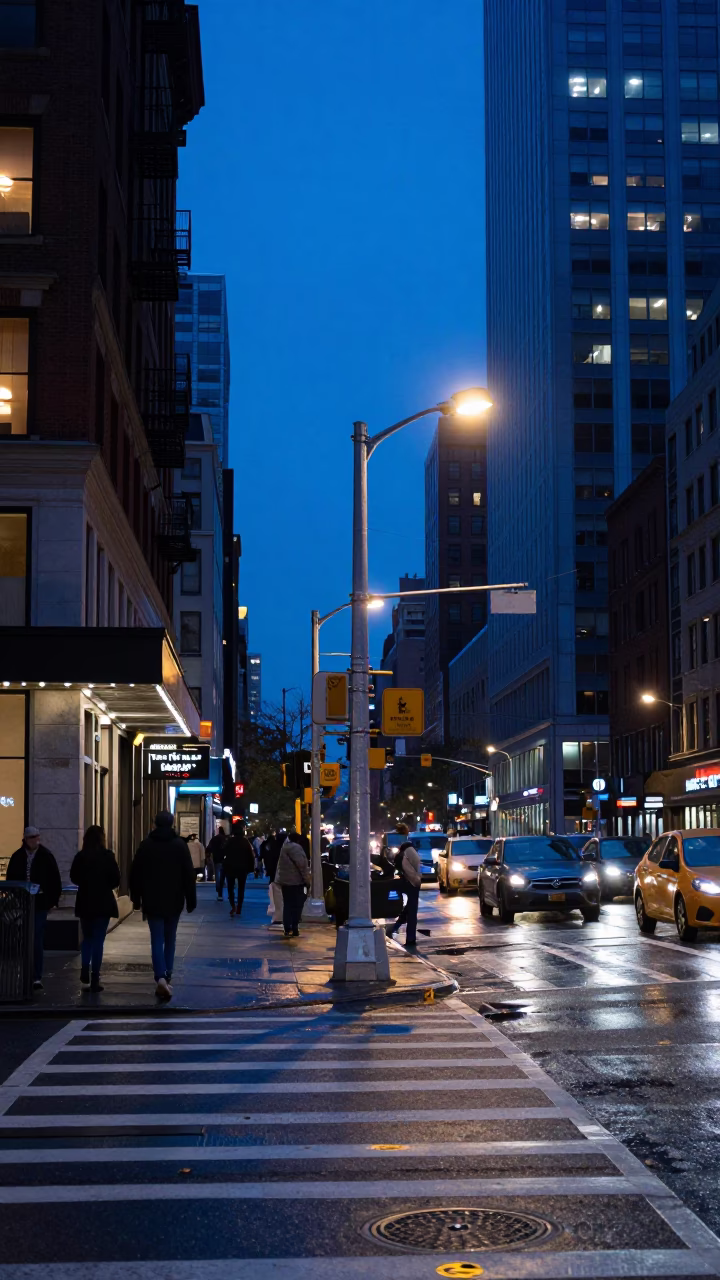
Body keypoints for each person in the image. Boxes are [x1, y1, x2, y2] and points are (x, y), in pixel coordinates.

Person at [129, 811, 197, 1001]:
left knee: (156, 939)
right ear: (172, 823)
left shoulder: (146, 845)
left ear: (155, 824)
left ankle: (159, 975)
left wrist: (136, 897)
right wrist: (191, 900)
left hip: (152, 900)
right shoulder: (179, 845)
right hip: (174, 899)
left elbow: (135, 873)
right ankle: (167, 975)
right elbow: (188, 875)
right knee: (170, 938)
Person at [7, 826, 62, 991]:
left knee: (36, 937)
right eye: (31, 837)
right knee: (27, 938)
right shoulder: (18, 857)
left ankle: (35, 975)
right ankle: (28, 973)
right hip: (24, 902)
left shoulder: (45, 856)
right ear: (25, 839)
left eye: (36, 837)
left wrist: (50, 901)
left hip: (39, 903)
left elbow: (54, 881)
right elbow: (11, 879)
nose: (34, 840)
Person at [70, 825, 120, 993]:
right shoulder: (108, 856)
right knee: (99, 939)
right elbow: (116, 879)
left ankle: (85, 966)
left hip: (85, 901)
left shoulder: (81, 856)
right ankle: (95, 976)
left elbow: (74, 877)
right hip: (103, 902)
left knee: (88, 938)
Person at [275, 832, 311, 937]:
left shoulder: (284, 848)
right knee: (297, 905)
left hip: (285, 882)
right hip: (297, 882)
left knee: (287, 905)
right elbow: (302, 866)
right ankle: (294, 927)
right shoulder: (296, 848)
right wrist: (307, 880)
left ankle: (287, 928)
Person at [386, 839, 421, 948]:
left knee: (409, 912)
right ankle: (410, 938)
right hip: (413, 883)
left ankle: (395, 929)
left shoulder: (406, 853)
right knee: (411, 912)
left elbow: (408, 868)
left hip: (411, 882)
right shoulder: (411, 852)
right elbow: (414, 869)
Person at [224, 825, 255, 916]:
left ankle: (233, 905)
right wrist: (251, 868)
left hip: (230, 867)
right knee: (241, 888)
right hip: (242, 868)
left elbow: (224, 851)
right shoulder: (245, 842)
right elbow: (250, 856)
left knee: (230, 887)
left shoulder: (230, 841)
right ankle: (239, 907)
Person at [264, 829, 285, 925]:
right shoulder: (285, 849)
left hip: (274, 876)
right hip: (285, 876)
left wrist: (269, 871)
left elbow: (269, 860)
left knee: (276, 897)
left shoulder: (273, 847)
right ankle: (282, 915)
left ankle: (277, 915)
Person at [207, 826, 228, 900]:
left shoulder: (214, 839)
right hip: (226, 860)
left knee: (217, 874)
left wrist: (209, 856)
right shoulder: (226, 839)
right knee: (224, 875)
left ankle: (218, 887)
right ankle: (225, 889)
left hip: (216, 859)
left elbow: (208, 848)